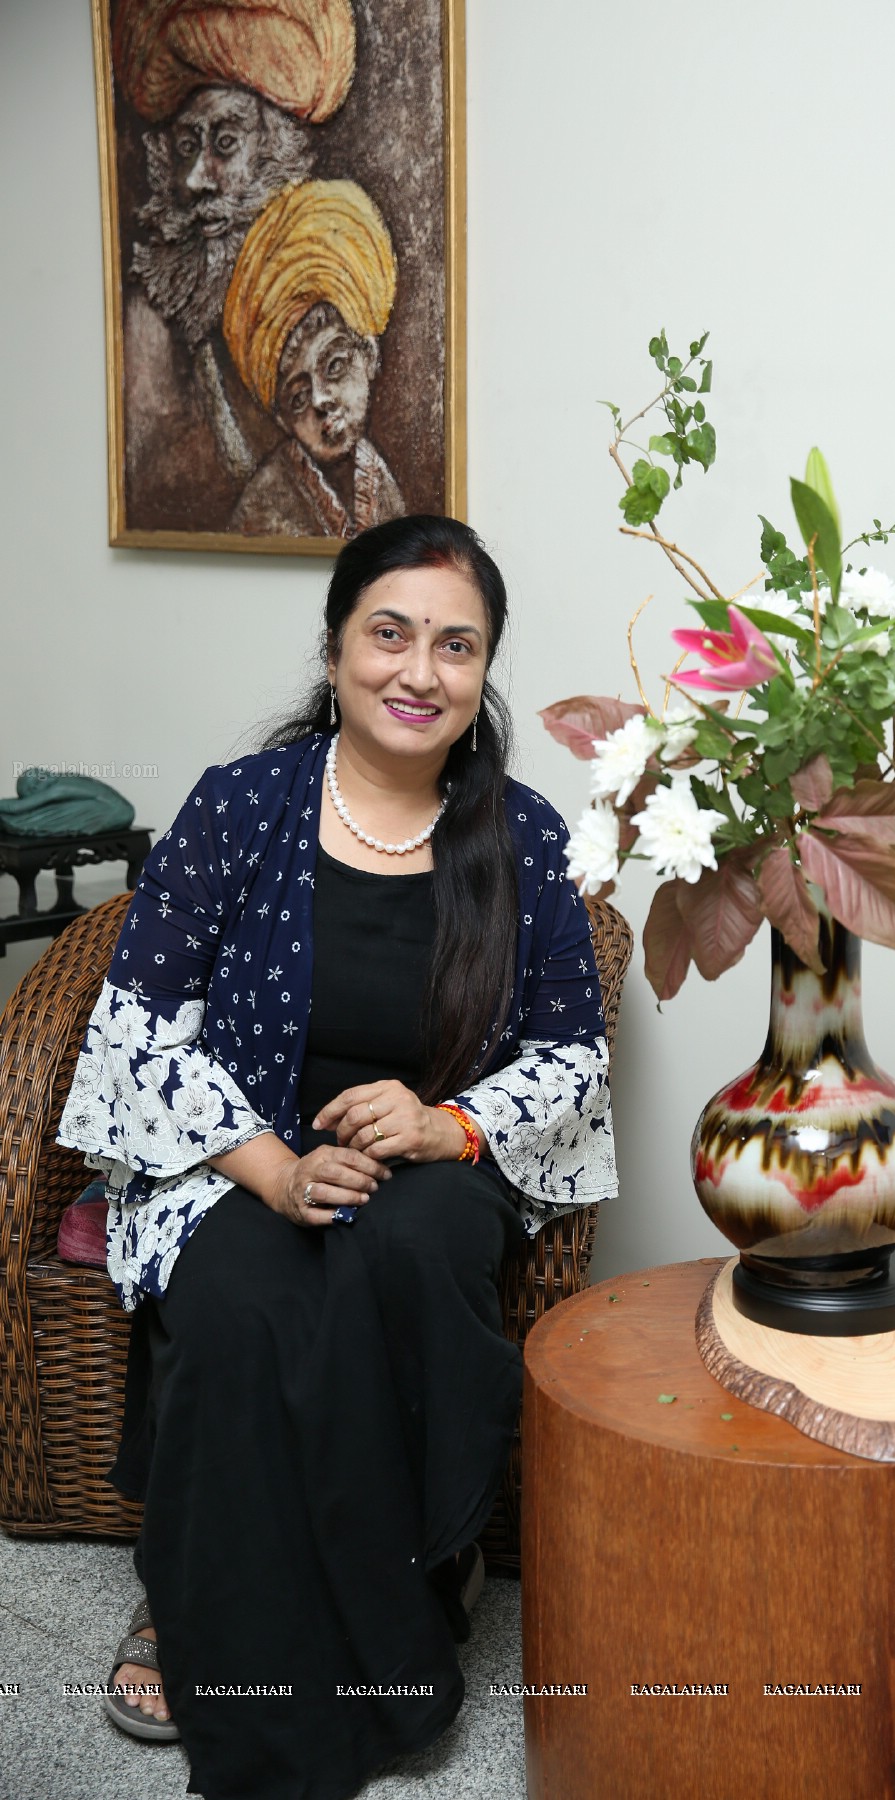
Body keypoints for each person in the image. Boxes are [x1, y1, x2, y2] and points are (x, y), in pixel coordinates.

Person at [56, 514, 617, 1800]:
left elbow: (572, 1054)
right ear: (335, 647)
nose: (420, 670)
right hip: (233, 1143)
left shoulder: (520, 834)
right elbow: (133, 1022)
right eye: (391, 633)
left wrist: (444, 1127)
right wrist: (264, 1166)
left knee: (403, 1266)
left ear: (485, 673)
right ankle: (194, 1614)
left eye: (457, 646)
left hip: (433, 1153)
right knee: (248, 1302)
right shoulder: (240, 805)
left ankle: (405, 1601)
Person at [113, 0, 357, 527]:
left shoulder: (329, 303)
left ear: (279, 149)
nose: (197, 179)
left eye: (225, 143)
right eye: (186, 147)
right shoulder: (143, 328)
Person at [222, 179, 405, 538]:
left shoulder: (379, 479)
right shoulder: (265, 505)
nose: (320, 401)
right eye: (298, 398)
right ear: (282, 420)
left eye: (334, 366)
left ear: (368, 355)